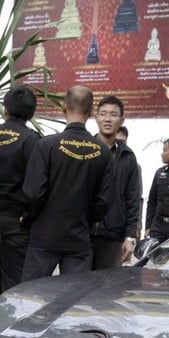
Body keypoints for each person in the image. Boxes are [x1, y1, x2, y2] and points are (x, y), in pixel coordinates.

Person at [21, 85, 112, 281]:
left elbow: (34, 194)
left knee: (31, 294)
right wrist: (85, 222)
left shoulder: (46, 146)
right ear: (91, 112)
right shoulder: (103, 152)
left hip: (44, 235)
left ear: (64, 107)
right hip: (78, 237)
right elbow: (103, 202)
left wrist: (30, 220)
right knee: (74, 296)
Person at [0, 84, 39, 290]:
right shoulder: (32, 140)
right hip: (17, 224)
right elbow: (36, 188)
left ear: (5, 109)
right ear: (31, 113)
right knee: (14, 287)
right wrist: (28, 218)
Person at [90, 95, 141, 269]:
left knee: (107, 284)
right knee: (77, 283)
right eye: (103, 114)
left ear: (121, 120)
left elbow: (133, 198)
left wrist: (130, 237)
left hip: (113, 237)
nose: (107, 119)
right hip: (82, 234)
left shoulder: (128, 156)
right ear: (96, 117)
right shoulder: (85, 149)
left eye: (113, 114)